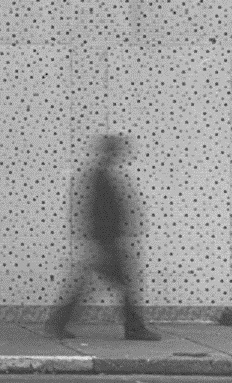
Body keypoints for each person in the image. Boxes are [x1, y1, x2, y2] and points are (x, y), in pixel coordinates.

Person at [48, 132, 158, 342]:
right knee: (125, 282)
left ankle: (57, 323)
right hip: (107, 243)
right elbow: (97, 212)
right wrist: (102, 242)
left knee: (88, 283)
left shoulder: (101, 174)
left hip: (106, 242)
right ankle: (134, 328)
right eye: (118, 150)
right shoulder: (101, 176)